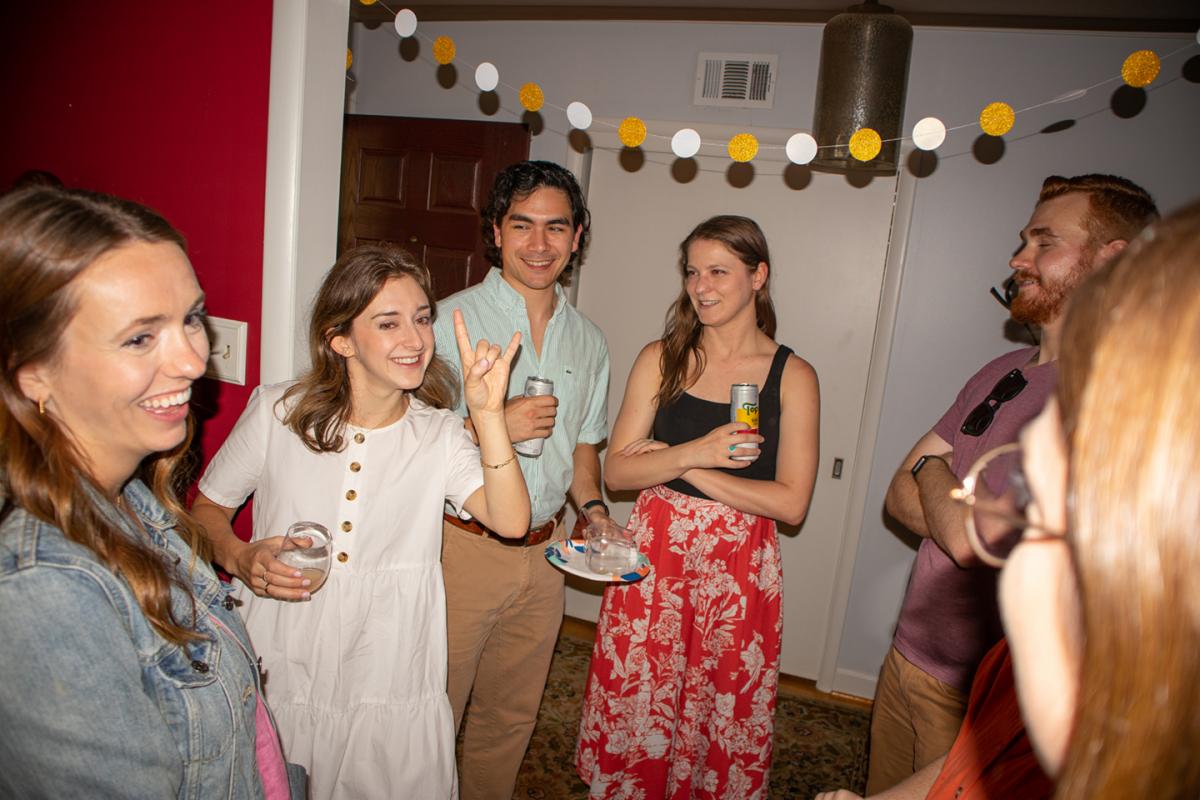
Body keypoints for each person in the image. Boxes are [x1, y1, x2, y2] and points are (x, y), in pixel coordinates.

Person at [819, 199, 1200, 800]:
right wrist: (952, 506)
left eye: (1045, 243)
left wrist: (936, 473)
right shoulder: (1000, 370)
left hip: (986, 692)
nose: (1018, 258)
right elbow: (900, 494)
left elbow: (973, 538)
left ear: (1113, 259)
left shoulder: (1120, 393)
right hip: (909, 656)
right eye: (1023, 240)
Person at [191, 245, 529, 799]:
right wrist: (240, 557)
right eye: (389, 323)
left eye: (422, 319)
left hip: (390, 664)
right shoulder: (277, 413)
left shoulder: (440, 434)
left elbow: (512, 522)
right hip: (285, 650)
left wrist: (489, 415)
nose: (416, 339)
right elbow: (206, 512)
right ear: (340, 339)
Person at [0, 186, 304, 798]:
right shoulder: (45, 589)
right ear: (33, 373)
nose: (193, 360)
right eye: (140, 338)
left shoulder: (136, 502)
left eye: (191, 318)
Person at [575, 215, 820, 798]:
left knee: (719, 708)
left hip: (738, 573)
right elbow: (618, 472)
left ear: (758, 276)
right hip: (655, 562)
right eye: (692, 272)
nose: (701, 287)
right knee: (641, 697)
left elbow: (791, 503)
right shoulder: (661, 359)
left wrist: (683, 464)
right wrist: (696, 451)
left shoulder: (793, 376)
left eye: (718, 272)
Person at [432, 159, 611, 800]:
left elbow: (582, 446)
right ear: (496, 232)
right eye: (522, 225)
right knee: (432, 713)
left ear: (577, 235)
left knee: (510, 720)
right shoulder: (447, 323)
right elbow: (405, 445)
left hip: (546, 558)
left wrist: (594, 512)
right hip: (461, 550)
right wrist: (492, 423)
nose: (539, 244)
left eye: (556, 227)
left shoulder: (590, 342)